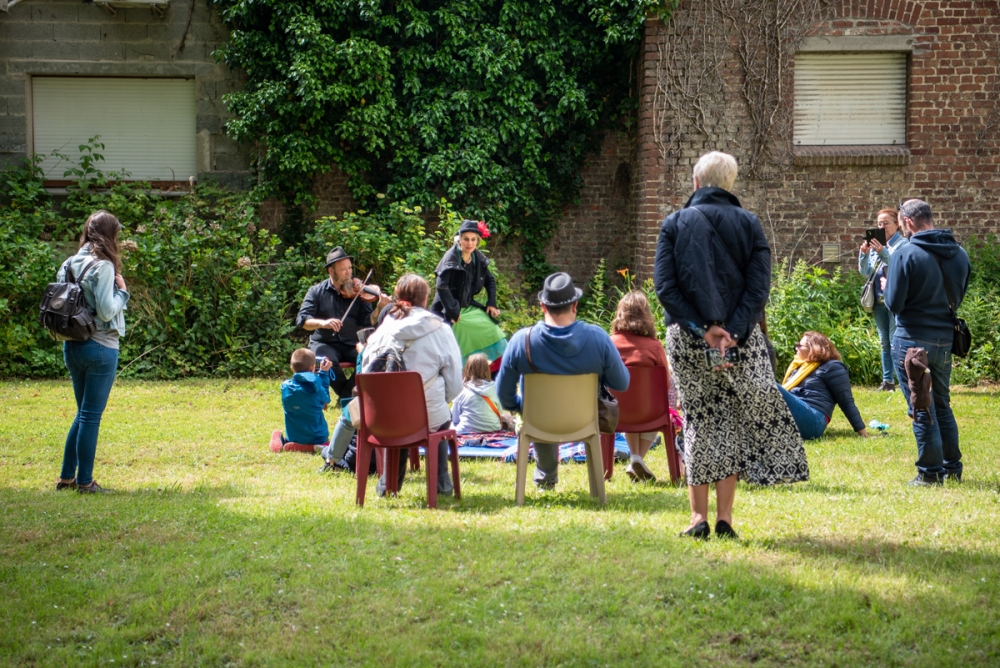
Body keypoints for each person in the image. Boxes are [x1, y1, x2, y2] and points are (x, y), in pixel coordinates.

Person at [654, 151, 808, 540]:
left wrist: (702, 328)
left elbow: (666, 288)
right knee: (732, 421)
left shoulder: (674, 223)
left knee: (699, 419)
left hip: (688, 338)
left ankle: (697, 518)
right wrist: (734, 332)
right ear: (730, 184)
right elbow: (759, 288)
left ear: (696, 182)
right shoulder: (749, 223)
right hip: (742, 339)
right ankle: (725, 519)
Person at [496, 272, 630, 491]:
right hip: (585, 421)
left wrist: (522, 407)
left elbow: (504, 396)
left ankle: (546, 478)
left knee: (540, 411)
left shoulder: (522, 341)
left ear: (542, 306)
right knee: (544, 412)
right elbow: (622, 383)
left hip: (537, 422)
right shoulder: (598, 339)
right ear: (575, 305)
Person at [885, 199, 971, 486]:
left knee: (922, 406)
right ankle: (952, 468)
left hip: (911, 341)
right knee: (942, 405)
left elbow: (894, 304)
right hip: (944, 340)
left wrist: (886, 287)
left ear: (908, 221)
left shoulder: (905, 253)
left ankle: (930, 474)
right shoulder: (960, 254)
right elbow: (958, 296)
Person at [361, 274, 464, 496]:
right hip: (427, 415)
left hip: (382, 417)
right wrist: (441, 397)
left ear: (397, 297)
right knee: (436, 415)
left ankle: (388, 485)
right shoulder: (441, 330)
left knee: (399, 412)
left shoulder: (381, 331)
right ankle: (441, 483)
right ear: (425, 299)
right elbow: (455, 383)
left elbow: (366, 371)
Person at [56, 210, 130, 494]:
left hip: (72, 345)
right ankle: (85, 482)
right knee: (90, 415)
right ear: (110, 235)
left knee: (83, 414)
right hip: (100, 347)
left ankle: (67, 478)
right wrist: (122, 292)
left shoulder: (68, 263)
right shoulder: (104, 265)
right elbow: (107, 311)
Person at [296, 246, 391, 398]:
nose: (348, 273)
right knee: (325, 361)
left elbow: (368, 321)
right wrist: (323, 323)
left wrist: (379, 308)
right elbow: (303, 320)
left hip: (352, 343)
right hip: (324, 343)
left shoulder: (359, 292)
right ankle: (348, 396)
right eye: (343, 269)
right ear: (331, 271)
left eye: (349, 268)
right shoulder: (316, 292)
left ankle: (346, 396)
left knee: (373, 357)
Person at [430, 219, 507, 369]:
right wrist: (453, 312)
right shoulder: (451, 256)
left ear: (477, 241)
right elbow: (441, 286)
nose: (469, 243)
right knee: (460, 335)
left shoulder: (477, 258)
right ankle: (462, 372)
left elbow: (490, 280)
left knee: (493, 329)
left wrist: (491, 302)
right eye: (466, 239)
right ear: (459, 239)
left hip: (467, 306)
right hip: (447, 309)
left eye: (473, 240)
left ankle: (493, 371)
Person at [609, 290, 669, 482]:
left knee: (627, 403)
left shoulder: (610, 344)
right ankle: (637, 458)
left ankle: (635, 458)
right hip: (650, 411)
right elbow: (666, 382)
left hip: (617, 411)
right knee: (655, 410)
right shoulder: (655, 346)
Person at [778, 332, 870, 440]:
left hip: (813, 420)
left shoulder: (832, 367)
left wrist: (864, 434)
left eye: (799, 345)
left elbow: (846, 402)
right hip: (793, 416)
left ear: (814, 348)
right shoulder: (799, 367)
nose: (796, 348)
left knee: (770, 385)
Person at [859, 208, 908, 391]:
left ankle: (902, 381)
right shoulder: (876, 245)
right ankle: (887, 382)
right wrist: (864, 254)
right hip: (878, 301)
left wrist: (883, 252)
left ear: (897, 225)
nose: (882, 227)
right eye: (879, 224)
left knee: (895, 342)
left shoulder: (903, 245)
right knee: (884, 343)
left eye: (886, 223)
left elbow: (898, 267)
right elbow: (865, 272)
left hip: (895, 300)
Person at [269, 348, 334, 454]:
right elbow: (326, 400)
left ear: (292, 368)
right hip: (318, 437)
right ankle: (313, 446)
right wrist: (324, 374)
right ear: (313, 367)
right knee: (330, 445)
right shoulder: (316, 388)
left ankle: (283, 440)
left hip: (294, 436)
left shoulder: (285, 387)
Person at [450, 354, 503, 435]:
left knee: (449, 425)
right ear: (487, 369)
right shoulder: (495, 388)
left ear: (467, 369)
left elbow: (455, 418)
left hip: (465, 431)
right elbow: (500, 412)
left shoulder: (462, 390)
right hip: (493, 429)